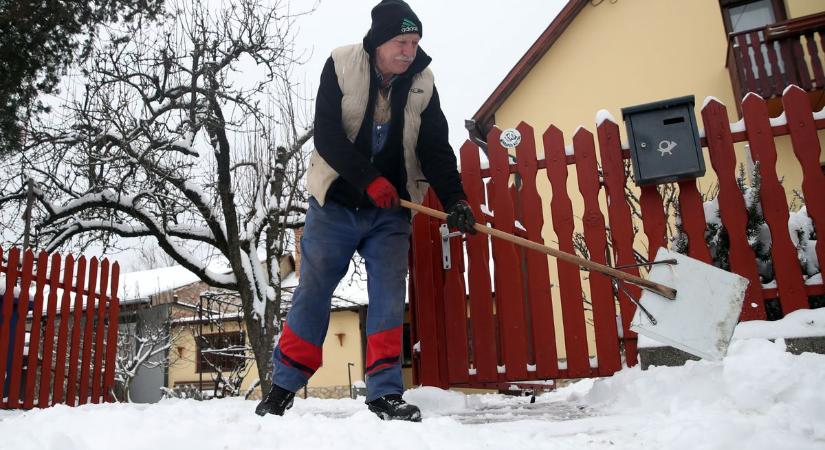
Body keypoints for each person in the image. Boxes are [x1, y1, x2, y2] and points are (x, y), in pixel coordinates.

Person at [255, 0, 476, 422]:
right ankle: (283, 387)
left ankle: (385, 393)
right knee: (313, 290)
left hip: (389, 212)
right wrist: (367, 179)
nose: (409, 51)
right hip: (335, 205)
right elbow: (327, 136)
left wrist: (457, 201)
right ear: (378, 41)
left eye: (414, 43)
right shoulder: (341, 65)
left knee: (389, 296)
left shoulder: (423, 82)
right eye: (401, 42)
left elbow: (435, 148)